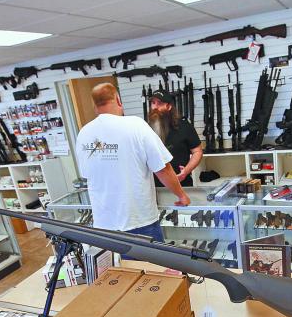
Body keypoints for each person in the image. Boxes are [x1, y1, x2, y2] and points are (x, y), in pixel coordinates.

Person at [74, 83, 189, 241]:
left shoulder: (84, 134)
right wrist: (181, 195)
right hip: (139, 221)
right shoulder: (135, 125)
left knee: (117, 266)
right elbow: (162, 169)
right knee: (151, 266)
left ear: (94, 105)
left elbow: (87, 174)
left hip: (104, 225)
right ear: (118, 100)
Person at [148, 90, 203, 187]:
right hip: (154, 188)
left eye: (159, 103)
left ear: (169, 107)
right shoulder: (145, 129)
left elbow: (197, 152)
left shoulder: (184, 126)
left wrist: (186, 171)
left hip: (181, 183)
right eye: (153, 103)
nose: (155, 107)